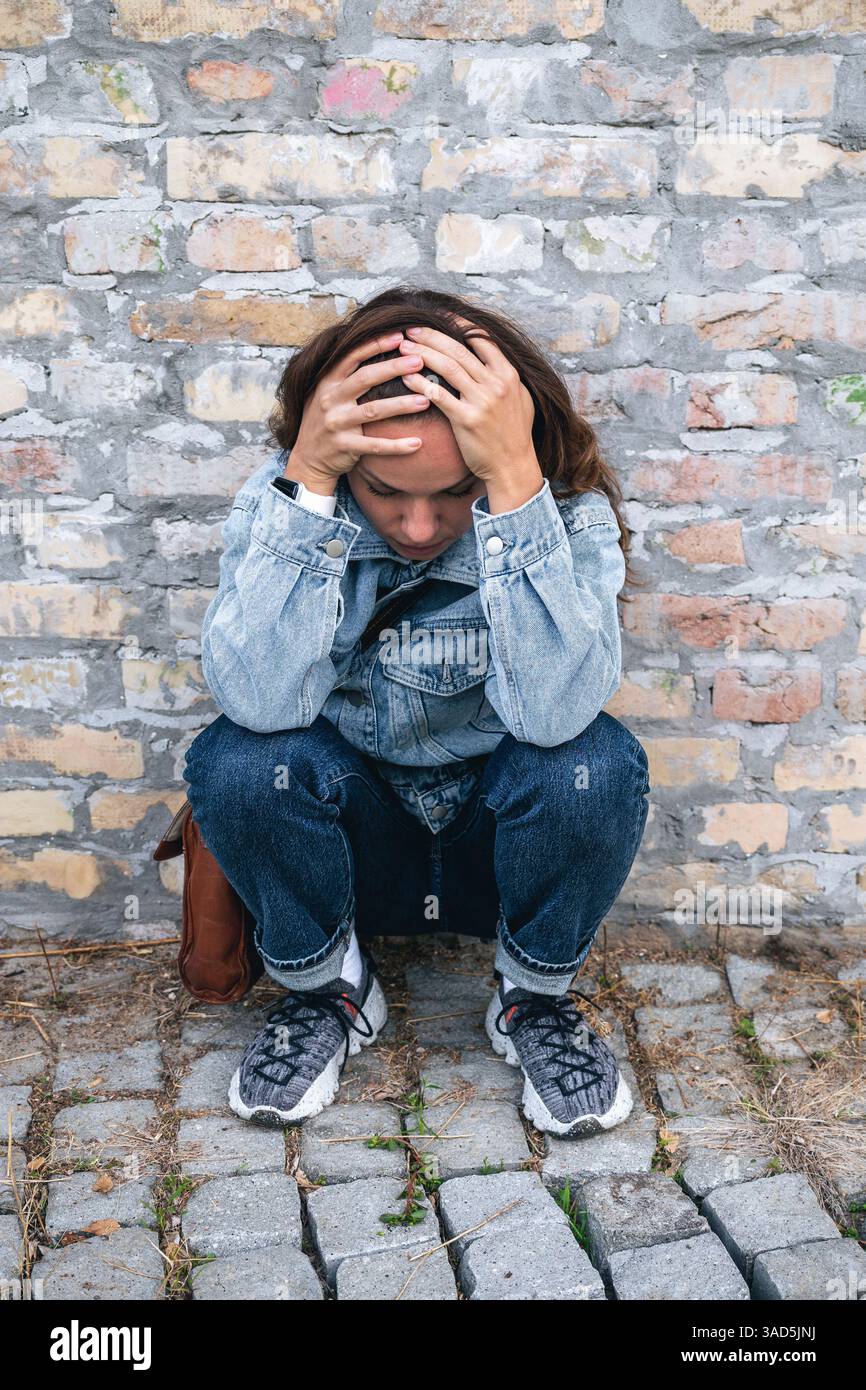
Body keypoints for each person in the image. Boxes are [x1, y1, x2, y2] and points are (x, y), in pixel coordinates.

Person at [183, 284, 651, 1140]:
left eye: (455, 490)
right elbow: (257, 700)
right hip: (355, 854)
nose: (421, 523)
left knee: (594, 762)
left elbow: (553, 716)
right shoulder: (284, 501)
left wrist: (514, 485)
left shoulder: (563, 518)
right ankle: (332, 990)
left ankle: (531, 1000)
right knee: (236, 759)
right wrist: (313, 484)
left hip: (498, 852)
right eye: (386, 490)